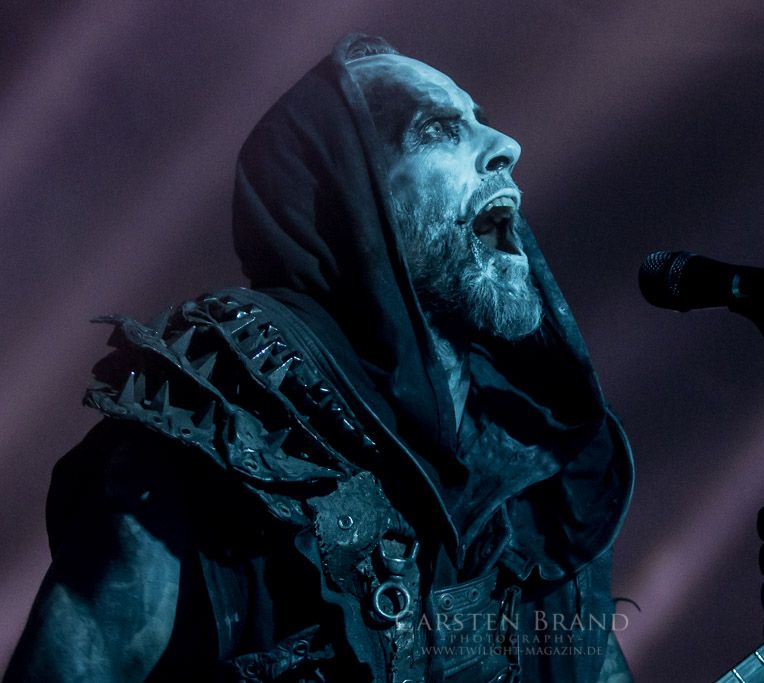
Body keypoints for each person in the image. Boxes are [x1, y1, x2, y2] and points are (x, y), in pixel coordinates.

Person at [4, 34, 634, 682]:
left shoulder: (538, 470)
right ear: (346, 199)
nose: (506, 146)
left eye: (481, 119)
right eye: (439, 130)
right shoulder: (214, 438)